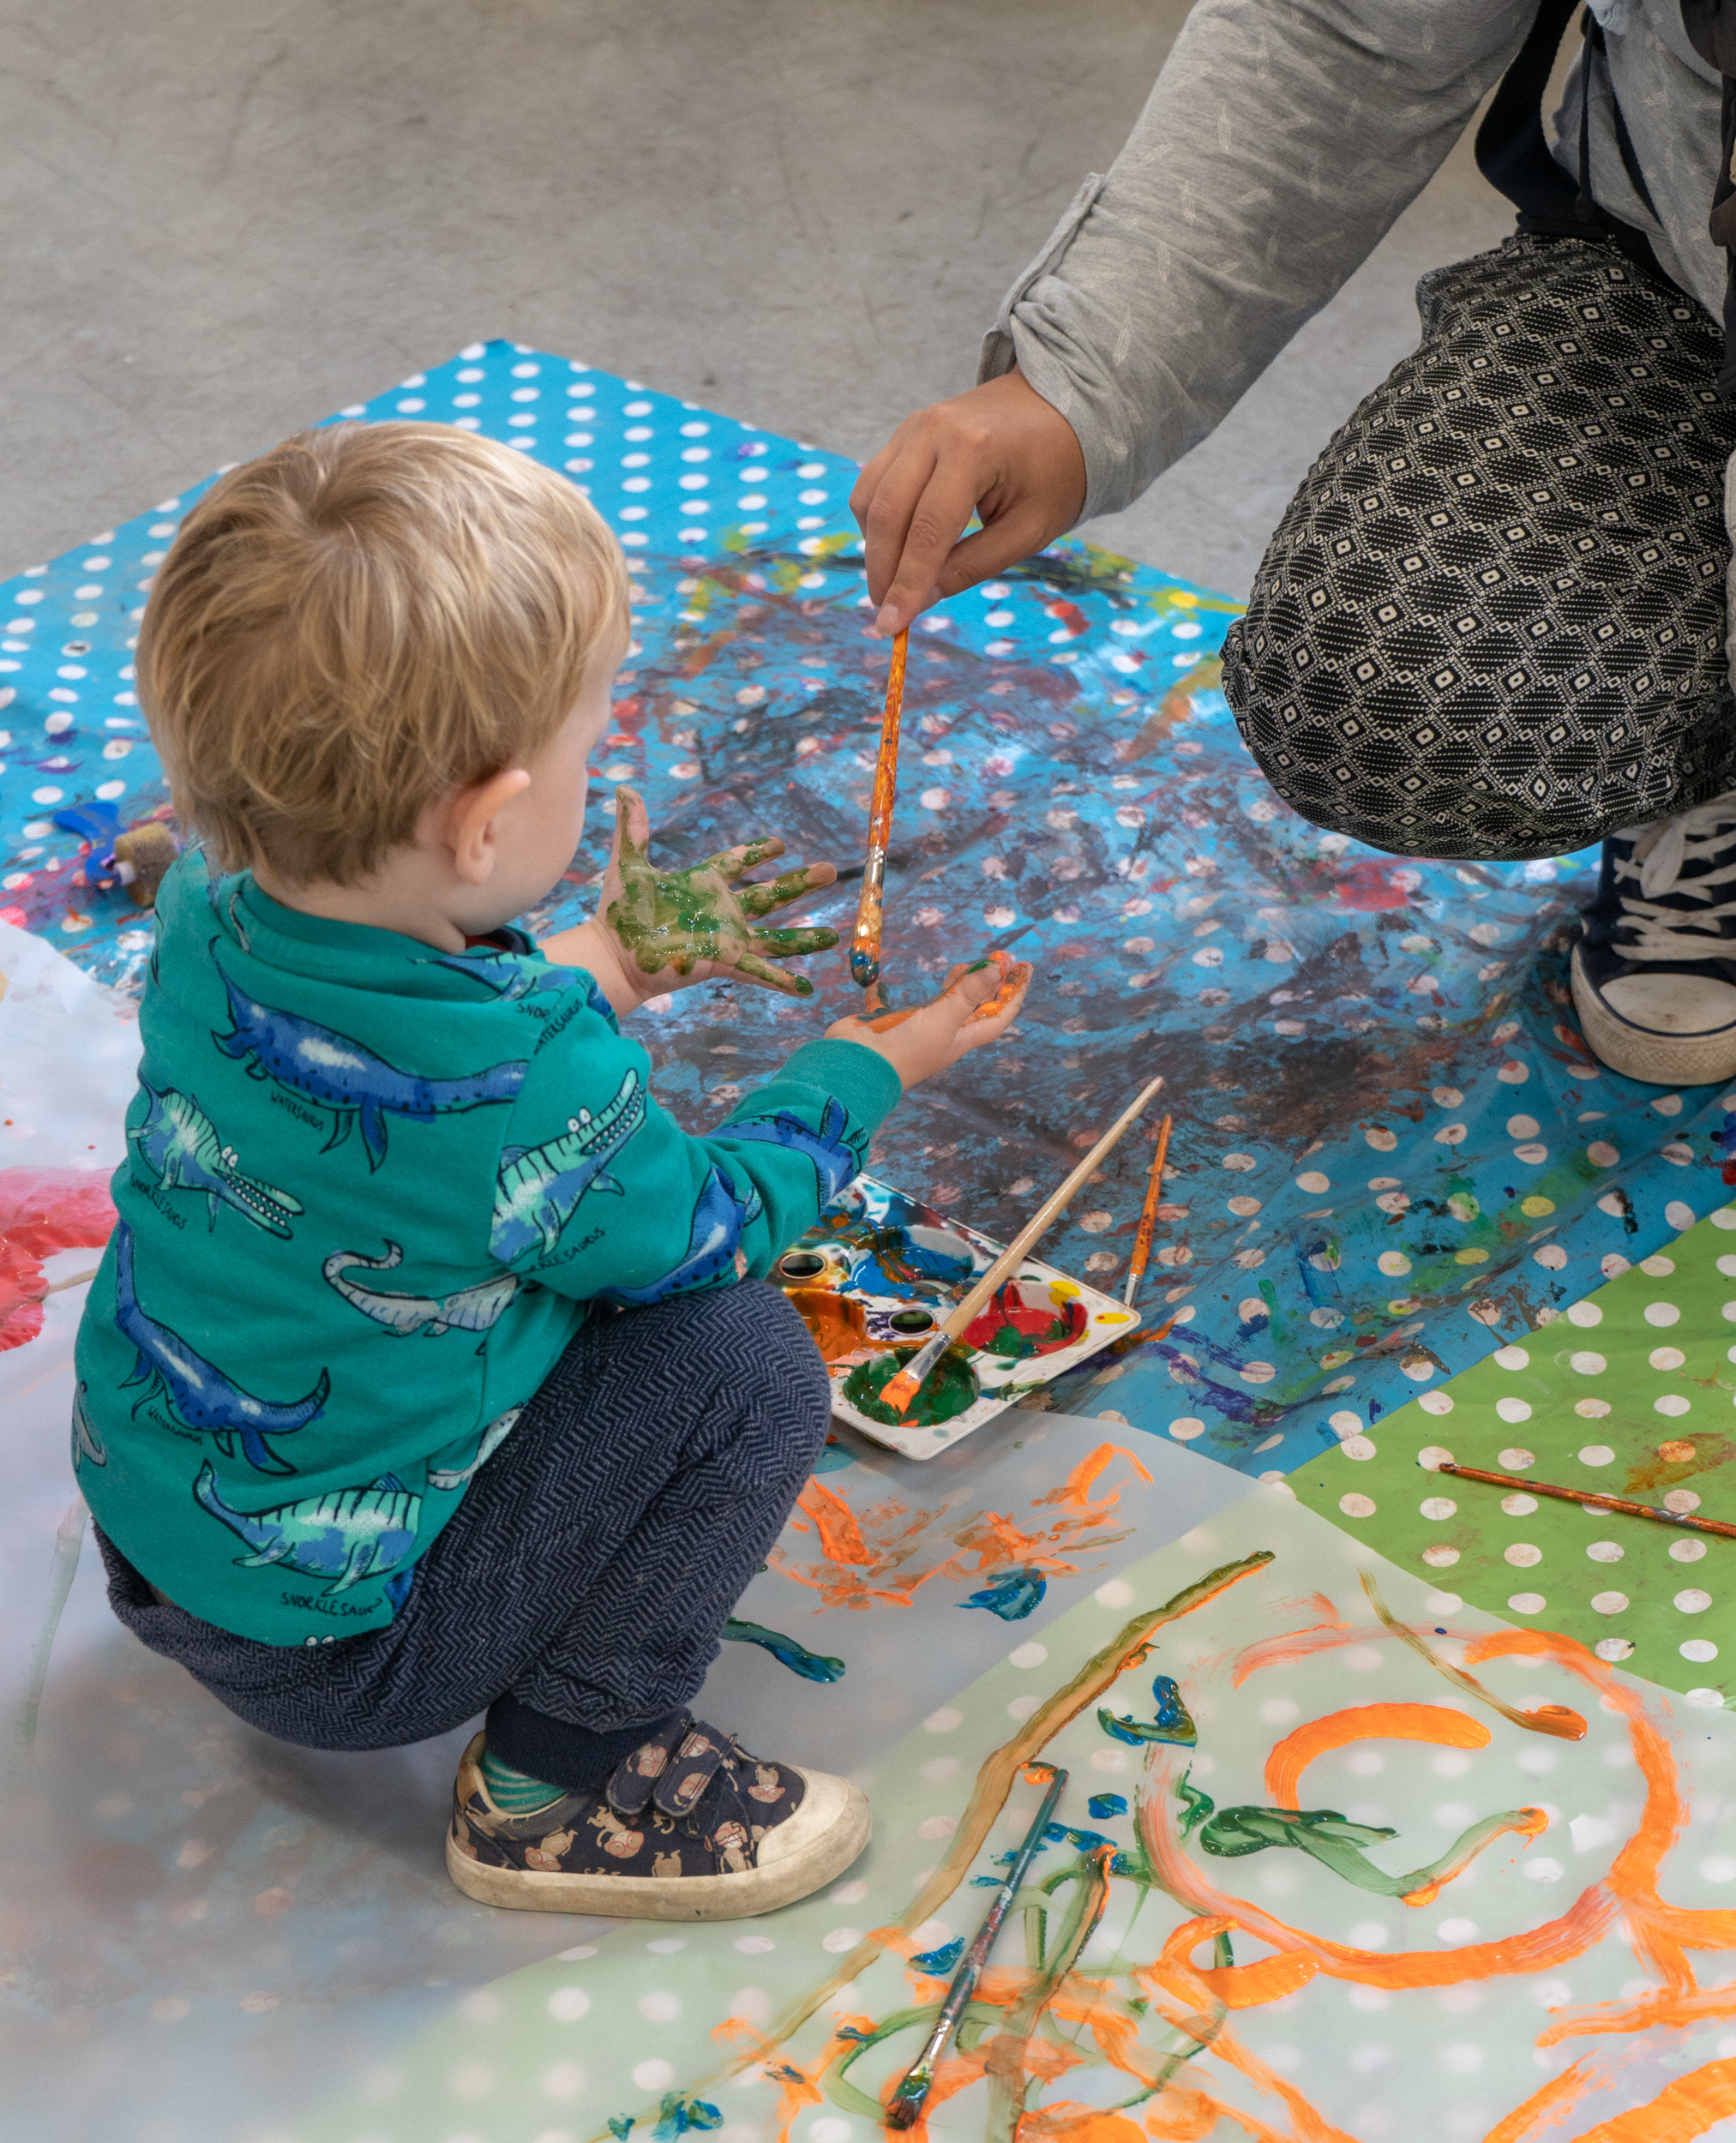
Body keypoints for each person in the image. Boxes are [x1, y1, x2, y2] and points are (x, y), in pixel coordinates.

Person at [75, 423, 1030, 1920]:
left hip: (163, 1545)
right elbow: (703, 1232)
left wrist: (617, 960)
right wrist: (865, 1071)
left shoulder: (210, 898)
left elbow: (415, 1042)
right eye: (587, 747)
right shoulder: (535, 1088)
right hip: (347, 1661)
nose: (599, 773)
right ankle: (561, 1781)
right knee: (743, 1361)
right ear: (482, 822)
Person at [855, 0, 1736, 1088]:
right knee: (1389, 669)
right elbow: (1351, 30)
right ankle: (1711, 770)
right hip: (1679, 267)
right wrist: (1079, 389)